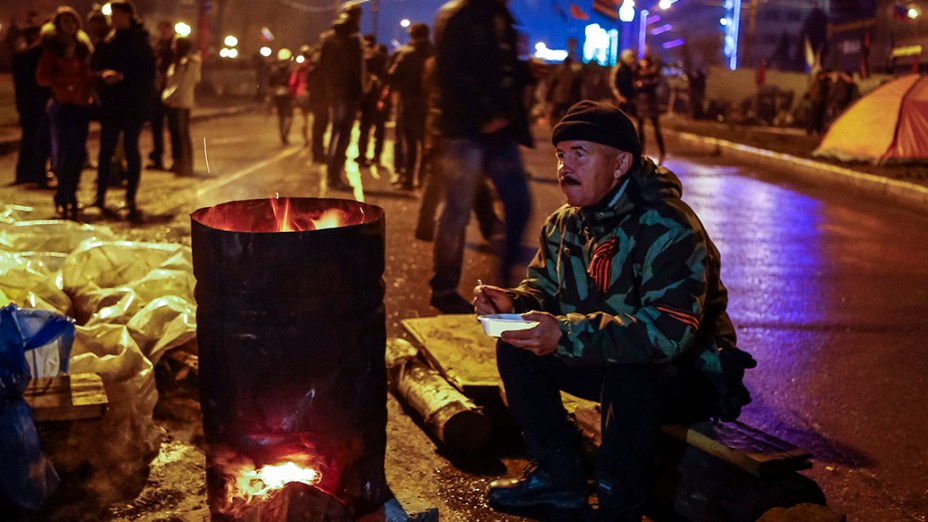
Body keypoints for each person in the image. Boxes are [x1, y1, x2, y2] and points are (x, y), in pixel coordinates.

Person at [474, 100, 756, 521]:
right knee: (516, 343)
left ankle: (618, 502)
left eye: (580, 154)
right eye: (561, 154)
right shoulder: (565, 224)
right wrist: (516, 303)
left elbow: (666, 334)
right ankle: (559, 476)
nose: (565, 166)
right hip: (610, 356)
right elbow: (545, 290)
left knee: (631, 372)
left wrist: (563, 334)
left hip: (691, 372)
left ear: (621, 162)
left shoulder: (668, 226)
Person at [429, 0, 535, 313]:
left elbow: (501, 69)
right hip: (466, 131)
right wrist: (485, 115)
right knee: (457, 212)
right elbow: (451, 74)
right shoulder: (461, 16)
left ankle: (506, 286)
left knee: (519, 202)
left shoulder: (500, 15)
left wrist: (527, 72)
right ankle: (444, 289)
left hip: (500, 132)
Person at [91, 0, 156, 222]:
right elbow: (95, 67)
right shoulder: (108, 42)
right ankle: (99, 195)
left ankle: (130, 198)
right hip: (111, 105)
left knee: (130, 149)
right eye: (112, 15)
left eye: (117, 14)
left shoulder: (139, 42)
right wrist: (103, 76)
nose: (114, 19)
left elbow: (147, 73)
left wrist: (123, 76)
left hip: (132, 105)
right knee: (105, 150)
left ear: (128, 15)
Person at [35, 7, 95, 219]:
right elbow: (41, 77)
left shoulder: (83, 48)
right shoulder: (54, 49)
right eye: (65, 21)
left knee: (79, 153)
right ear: (58, 25)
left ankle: (71, 192)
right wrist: (65, 83)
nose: (69, 25)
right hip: (63, 105)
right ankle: (64, 193)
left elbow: (86, 74)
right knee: (65, 152)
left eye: (72, 21)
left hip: (82, 105)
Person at [318, 7, 365, 191]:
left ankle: (332, 173)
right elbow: (356, 70)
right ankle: (335, 175)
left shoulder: (329, 39)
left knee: (335, 133)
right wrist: (360, 92)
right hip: (349, 95)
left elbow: (322, 67)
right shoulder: (353, 40)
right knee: (343, 135)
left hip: (334, 94)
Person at [385, 22, 433, 190]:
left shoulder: (406, 55)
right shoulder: (436, 54)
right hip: (429, 105)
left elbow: (391, 76)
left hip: (409, 103)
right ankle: (422, 178)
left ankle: (407, 179)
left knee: (409, 143)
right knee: (426, 142)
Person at [12, 24, 52, 187]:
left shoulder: (24, 54)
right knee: (35, 138)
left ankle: (26, 171)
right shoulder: (35, 53)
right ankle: (31, 171)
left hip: (27, 102)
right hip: (35, 102)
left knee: (29, 137)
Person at [162, 37, 200, 177]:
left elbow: (183, 86)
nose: (173, 47)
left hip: (182, 104)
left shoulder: (190, 64)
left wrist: (167, 96)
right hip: (173, 103)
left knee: (181, 135)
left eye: (175, 44)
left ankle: (185, 164)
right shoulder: (176, 64)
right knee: (174, 135)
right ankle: (177, 162)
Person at [148, 19, 174, 170]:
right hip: (157, 92)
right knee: (156, 126)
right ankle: (158, 157)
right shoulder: (157, 46)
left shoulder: (175, 47)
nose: (163, 33)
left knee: (172, 127)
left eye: (166, 29)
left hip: (170, 91)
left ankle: (176, 159)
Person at [633, 56, 665, 165]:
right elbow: (635, 86)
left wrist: (643, 85)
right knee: (640, 129)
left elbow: (653, 85)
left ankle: (662, 151)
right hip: (641, 103)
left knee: (656, 128)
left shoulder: (653, 74)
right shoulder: (637, 73)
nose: (643, 65)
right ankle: (641, 152)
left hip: (651, 103)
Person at [267, 48, 294, 145]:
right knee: (288, 116)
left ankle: (283, 134)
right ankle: (284, 134)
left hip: (277, 96)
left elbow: (270, 85)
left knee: (281, 117)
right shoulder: (291, 72)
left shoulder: (274, 71)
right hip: (287, 96)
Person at [609, 49, 637, 116]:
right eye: (629, 57)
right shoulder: (618, 68)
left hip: (629, 98)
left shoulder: (630, 68)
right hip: (620, 98)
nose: (631, 59)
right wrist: (619, 96)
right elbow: (613, 83)